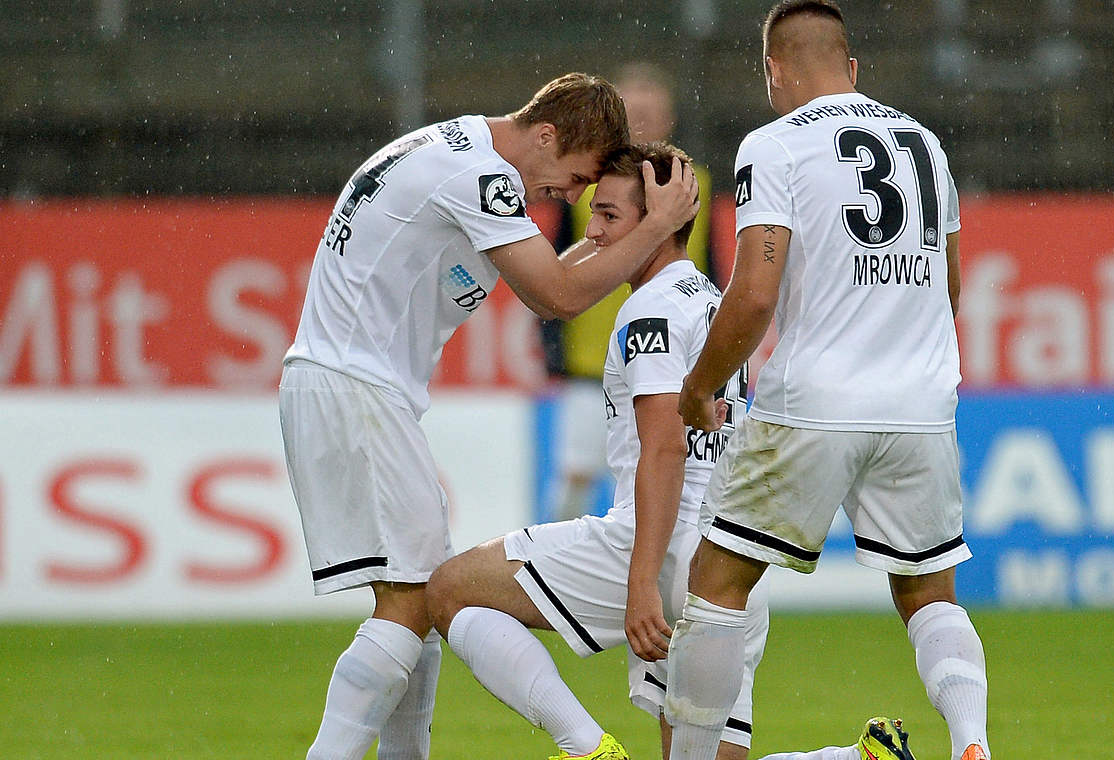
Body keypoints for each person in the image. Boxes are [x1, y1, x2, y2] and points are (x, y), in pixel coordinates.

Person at [279, 72, 699, 760]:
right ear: (545, 135)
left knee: (419, 599)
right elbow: (558, 296)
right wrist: (655, 225)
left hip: (346, 385)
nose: (567, 196)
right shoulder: (483, 178)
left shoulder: (456, 152)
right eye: (573, 177)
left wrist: (631, 227)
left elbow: (548, 276)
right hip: (357, 389)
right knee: (416, 603)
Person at [663, 3, 991, 760]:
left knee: (717, 582)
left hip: (815, 400)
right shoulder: (924, 144)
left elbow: (752, 295)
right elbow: (950, 285)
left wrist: (698, 384)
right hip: (921, 404)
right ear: (852, 68)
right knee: (927, 593)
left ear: (774, 70)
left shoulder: (772, 146)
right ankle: (972, 743)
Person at [424, 142, 768, 760]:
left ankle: (584, 745)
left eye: (609, 215)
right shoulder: (712, 303)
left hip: (655, 546)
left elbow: (665, 449)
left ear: (659, 223)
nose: (595, 230)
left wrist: (642, 581)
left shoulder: (651, 312)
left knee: (450, 590)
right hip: (727, 561)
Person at [541, 61, 717, 521]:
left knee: (663, 472)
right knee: (576, 477)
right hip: (591, 364)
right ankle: (563, 572)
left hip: (666, 364)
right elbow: (552, 268)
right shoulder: (589, 188)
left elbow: (712, 268)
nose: (642, 124)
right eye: (632, 114)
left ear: (669, 121)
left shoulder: (694, 184)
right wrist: (552, 347)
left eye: (651, 114)